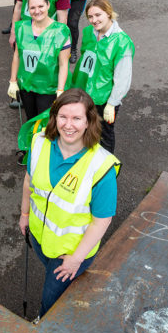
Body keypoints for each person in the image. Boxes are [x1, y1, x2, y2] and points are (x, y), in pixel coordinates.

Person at [19, 88, 120, 321]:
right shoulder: (39, 142)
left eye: (77, 118)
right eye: (63, 117)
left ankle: (43, 324)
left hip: (70, 254)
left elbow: (102, 220)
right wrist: (25, 214)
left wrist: (76, 259)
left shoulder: (101, 166)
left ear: (88, 122)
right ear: (54, 118)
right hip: (39, 237)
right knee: (49, 281)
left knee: (51, 301)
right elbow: (28, 182)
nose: (68, 125)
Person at [72, 0, 134, 154]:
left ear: (108, 13)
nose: (94, 20)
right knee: (85, 131)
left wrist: (112, 103)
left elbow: (123, 78)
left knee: (104, 135)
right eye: (90, 16)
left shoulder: (122, 42)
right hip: (84, 93)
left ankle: (106, 171)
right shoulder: (88, 32)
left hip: (104, 99)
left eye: (98, 15)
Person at [8, 0, 71, 118]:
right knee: (30, 118)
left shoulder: (61, 31)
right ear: (28, 9)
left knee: (45, 124)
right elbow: (17, 56)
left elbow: (63, 64)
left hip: (48, 88)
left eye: (40, 6)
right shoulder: (21, 28)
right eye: (32, 8)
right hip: (27, 85)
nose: (37, 11)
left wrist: (60, 90)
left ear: (48, 5)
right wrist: (13, 80)